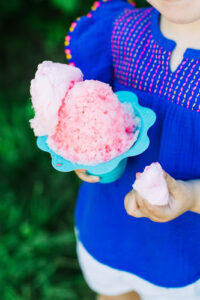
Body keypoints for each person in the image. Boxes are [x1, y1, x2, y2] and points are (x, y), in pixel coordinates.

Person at [64, 0, 200, 299]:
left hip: (184, 254)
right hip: (108, 226)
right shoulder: (118, 31)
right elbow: (89, 114)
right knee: (113, 293)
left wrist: (191, 195)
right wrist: (81, 150)